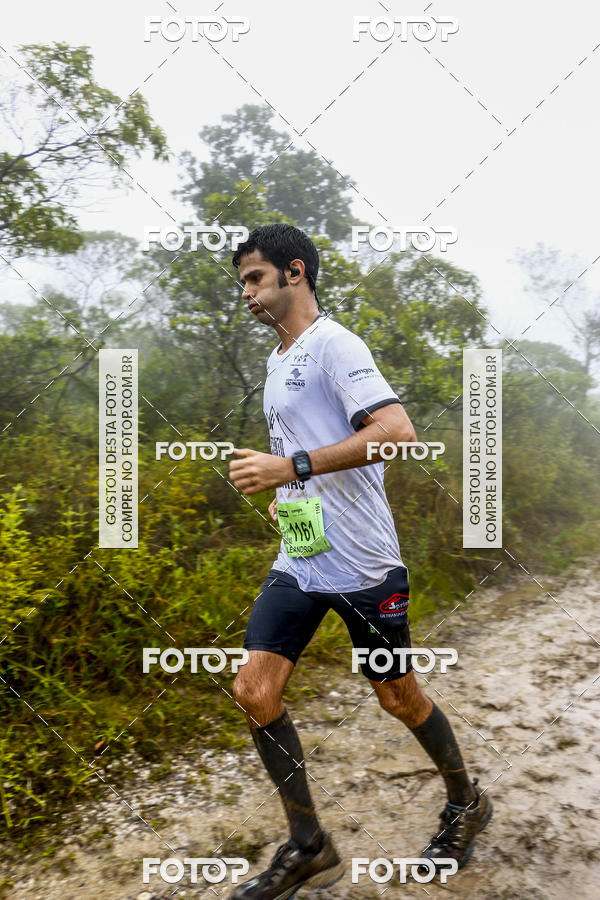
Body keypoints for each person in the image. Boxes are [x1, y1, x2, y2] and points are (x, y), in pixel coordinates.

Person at [227, 224, 492, 898]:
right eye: (243, 285)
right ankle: (310, 844)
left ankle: (466, 801)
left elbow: (397, 433)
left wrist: (292, 465)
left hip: (366, 565)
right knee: (255, 691)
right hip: (303, 555)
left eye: (255, 279)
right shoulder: (278, 358)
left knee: (396, 695)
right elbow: (306, 449)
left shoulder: (334, 345)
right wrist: (286, 487)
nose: (248, 295)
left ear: (295, 272)